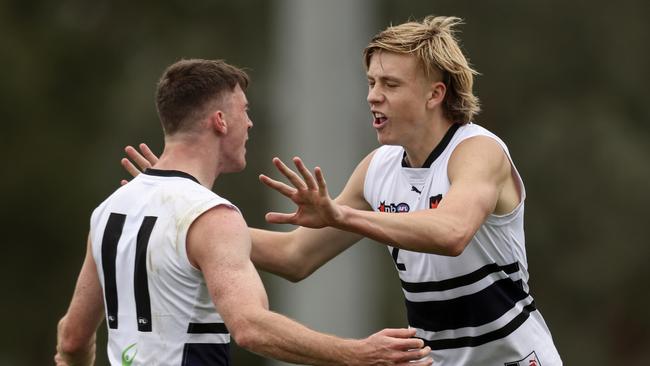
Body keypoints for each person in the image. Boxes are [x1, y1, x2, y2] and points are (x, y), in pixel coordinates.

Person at [122, 16, 562, 365]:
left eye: (390, 85)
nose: (373, 96)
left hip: (515, 358)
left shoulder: (477, 150)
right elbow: (296, 257)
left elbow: (451, 232)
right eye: (371, 83)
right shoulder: (379, 168)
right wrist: (187, 217)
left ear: (434, 94)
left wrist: (340, 215)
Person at [55, 58, 433, 366]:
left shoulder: (109, 211)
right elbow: (251, 327)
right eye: (244, 111)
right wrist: (358, 354)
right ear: (220, 121)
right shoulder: (213, 216)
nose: (250, 123)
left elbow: (72, 338)